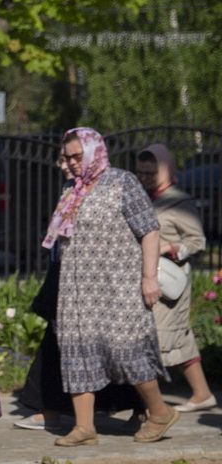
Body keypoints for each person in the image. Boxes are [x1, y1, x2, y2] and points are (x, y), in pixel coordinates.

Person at [46, 128, 180, 445]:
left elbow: (149, 230)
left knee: (126, 348)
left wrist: (149, 277)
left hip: (119, 283)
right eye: (68, 157)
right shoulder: (71, 189)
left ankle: (160, 411)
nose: (73, 162)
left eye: (78, 155)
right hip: (78, 286)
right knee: (77, 349)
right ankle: (84, 427)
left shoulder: (122, 182)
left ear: (95, 151)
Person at [137, 144, 215, 415]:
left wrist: (169, 247)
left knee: (154, 339)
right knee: (181, 337)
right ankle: (202, 393)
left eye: (151, 172)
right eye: (141, 173)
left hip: (169, 281)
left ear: (167, 170)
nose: (146, 178)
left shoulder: (179, 201)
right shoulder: (144, 198)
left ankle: (149, 408)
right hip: (150, 276)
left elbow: (197, 240)